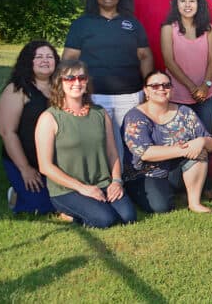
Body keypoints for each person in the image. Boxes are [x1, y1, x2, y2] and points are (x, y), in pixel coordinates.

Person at [34, 59, 137, 228]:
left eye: (81, 78)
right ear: (59, 82)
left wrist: (116, 181)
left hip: (102, 183)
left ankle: (92, 207)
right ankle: (67, 213)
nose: (77, 82)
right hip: (67, 189)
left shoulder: (100, 113)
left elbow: (112, 153)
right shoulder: (49, 118)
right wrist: (82, 188)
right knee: (105, 220)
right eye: (70, 78)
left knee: (128, 217)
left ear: (87, 81)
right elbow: (45, 166)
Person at [63, 0, 153, 161]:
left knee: (131, 143)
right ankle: (104, 182)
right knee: (96, 143)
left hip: (129, 96)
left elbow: (145, 56)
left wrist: (148, 87)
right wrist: (68, 89)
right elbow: (70, 58)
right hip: (93, 95)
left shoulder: (132, 24)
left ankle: (128, 184)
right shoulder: (82, 24)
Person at [122, 71, 212, 214]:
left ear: (171, 89)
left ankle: (194, 203)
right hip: (145, 173)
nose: (161, 89)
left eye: (166, 85)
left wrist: (202, 141)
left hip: (174, 169)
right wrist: (184, 150)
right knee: (161, 207)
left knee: (200, 151)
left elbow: (211, 144)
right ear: (146, 90)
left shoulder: (185, 112)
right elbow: (145, 153)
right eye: (155, 86)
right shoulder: (135, 116)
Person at [0, 41, 58, 214]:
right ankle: (15, 193)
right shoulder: (17, 90)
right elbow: (7, 132)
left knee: (65, 201)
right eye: (38, 57)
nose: (45, 60)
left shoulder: (61, 88)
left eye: (49, 56)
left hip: (53, 161)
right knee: (41, 208)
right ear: (28, 61)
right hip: (24, 159)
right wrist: (25, 169)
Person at [161, 0, 212, 133]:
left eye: (192, 1)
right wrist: (192, 87)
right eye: (183, 1)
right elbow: (169, 61)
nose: (187, 5)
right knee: (181, 140)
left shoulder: (208, 28)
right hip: (178, 95)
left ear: (198, 4)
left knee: (205, 138)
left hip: (206, 94)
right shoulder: (168, 28)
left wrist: (205, 86)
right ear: (176, 4)